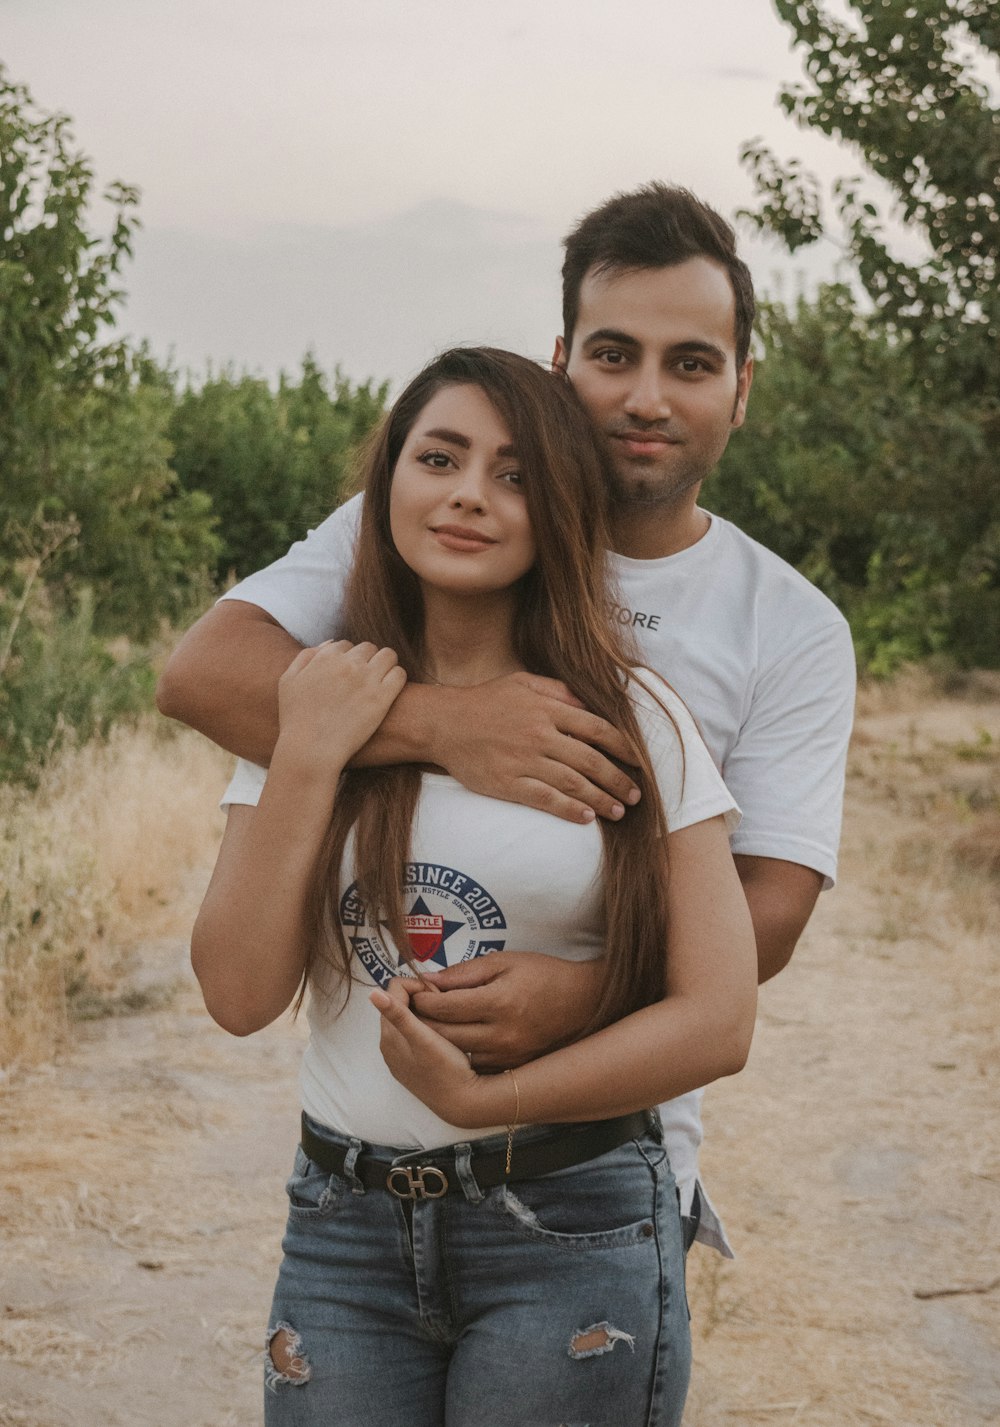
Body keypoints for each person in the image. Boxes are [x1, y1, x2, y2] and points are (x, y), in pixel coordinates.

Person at [158, 182, 857, 1255]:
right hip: (365, 1163)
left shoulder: (789, 624)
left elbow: (769, 904)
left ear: (742, 386)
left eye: (691, 363)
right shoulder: (437, 518)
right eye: (612, 353)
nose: (645, 398)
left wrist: (586, 992)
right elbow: (207, 675)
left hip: (599, 1162)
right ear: (561, 358)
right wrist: (447, 724)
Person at [191, 346, 757, 1425]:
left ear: (561, 509)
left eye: (514, 475)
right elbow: (237, 992)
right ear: (386, 485)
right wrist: (313, 750)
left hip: (571, 1221)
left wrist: (485, 1102)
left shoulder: (632, 717)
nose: (466, 495)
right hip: (343, 1225)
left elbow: (719, 1017)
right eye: (438, 457)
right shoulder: (310, 700)